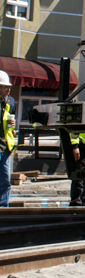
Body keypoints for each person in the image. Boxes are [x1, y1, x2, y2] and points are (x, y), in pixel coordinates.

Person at [0, 70, 17, 208]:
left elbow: (12, 119)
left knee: (5, 179)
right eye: (5, 87)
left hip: (5, 146)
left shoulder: (10, 101)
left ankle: (3, 208)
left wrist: (13, 128)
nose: (9, 89)